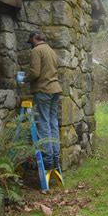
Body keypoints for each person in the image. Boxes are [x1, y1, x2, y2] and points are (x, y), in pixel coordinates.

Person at [24, 31, 62, 171]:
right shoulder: (51, 51)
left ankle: (47, 161)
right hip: (55, 90)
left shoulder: (36, 50)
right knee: (53, 124)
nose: (31, 45)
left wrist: (24, 80)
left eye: (31, 41)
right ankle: (56, 158)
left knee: (43, 124)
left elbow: (35, 73)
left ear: (35, 38)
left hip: (44, 90)